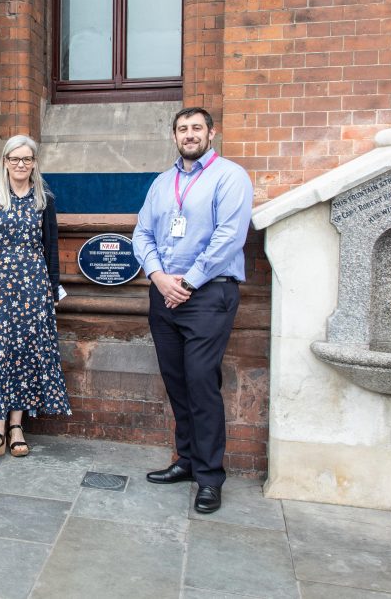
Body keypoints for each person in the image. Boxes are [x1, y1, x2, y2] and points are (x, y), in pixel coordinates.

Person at [132, 106, 254, 515]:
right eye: (182, 129)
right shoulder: (162, 183)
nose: (189, 135)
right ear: (174, 136)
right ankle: (185, 460)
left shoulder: (230, 176)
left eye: (196, 128)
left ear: (211, 133)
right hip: (163, 293)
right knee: (177, 381)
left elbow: (229, 236)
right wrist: (157, 275)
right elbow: (142, 232)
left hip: (206, 295)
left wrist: (187, 281)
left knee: (201, 382)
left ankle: (209, 476)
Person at [0, 135, 71, 464]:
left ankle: (17, 427)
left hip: (34, 289)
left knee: (24, 353)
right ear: (5, 162)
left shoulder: (44, 199)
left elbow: (51, 248)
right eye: (14, 159)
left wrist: (52, 288)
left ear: (35, 163)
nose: (20, 165)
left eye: (26, 159)